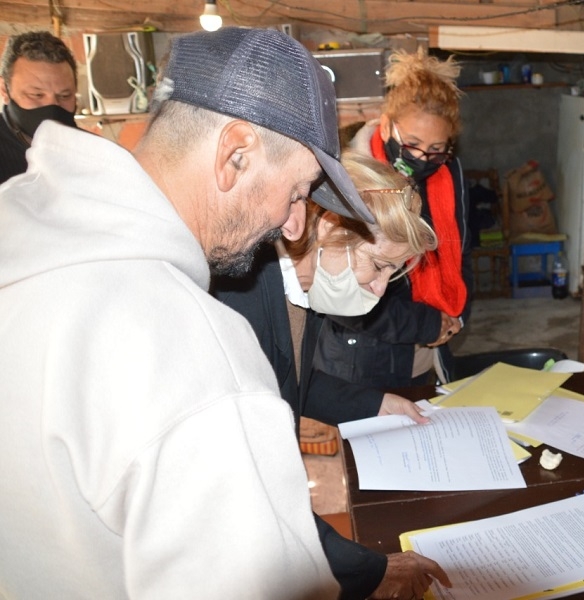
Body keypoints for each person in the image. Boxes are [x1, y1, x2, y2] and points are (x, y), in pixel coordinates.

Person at [0, 27, 385, 598]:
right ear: (235, 154)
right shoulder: (196, 353)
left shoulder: (20, 222)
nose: (294, 225)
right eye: (299, 191)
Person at [212, 152, 448, 599]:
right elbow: (255, 490)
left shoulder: (308, 284)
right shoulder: (244, 301)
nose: (380, 290)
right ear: (329, 230)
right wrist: (368, 571)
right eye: (378, 266)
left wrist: (377, 403)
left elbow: (294, 382)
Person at [313, 48, 474, 387]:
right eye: (412, 143)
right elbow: (335, 290)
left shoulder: (447, 173)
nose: (421, 157)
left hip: (431, 352)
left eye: (436, 149)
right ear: (386, 125)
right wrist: (425, 324)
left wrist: (456, 313)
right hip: (364, 360)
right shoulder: (347, 175)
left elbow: (460, 249)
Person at [0, 31, 78, 184]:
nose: (52, 107)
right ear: (4, 90)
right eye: (36, 95)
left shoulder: (91, 151)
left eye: (64, 96)